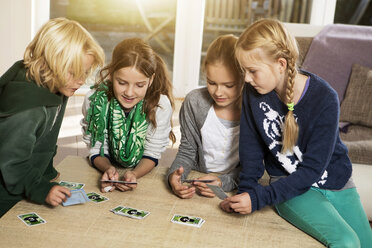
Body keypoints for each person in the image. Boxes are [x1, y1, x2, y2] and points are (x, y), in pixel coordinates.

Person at [220, 19, 372, 247]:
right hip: (287, 185)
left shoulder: (325, 99)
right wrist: (247, 195)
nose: (247, 79)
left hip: (335, 180)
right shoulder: (252, 93)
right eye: (244, 71)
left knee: (366, 243)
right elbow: (250, 153)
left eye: (252, 71)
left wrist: (256, 198)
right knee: (346, 242)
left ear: (281, 64)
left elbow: (312, 169)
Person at [0, 17, 105, 217]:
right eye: (73, 72)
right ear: (48, 64)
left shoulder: (57, 83)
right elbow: (11, 161)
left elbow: (45, 139)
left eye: (84, 72)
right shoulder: (28, 110)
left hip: (25, 176)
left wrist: (46, 173)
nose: (80, 81)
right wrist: (40, 188)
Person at [81, 38, 175, 193]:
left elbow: (152, 152)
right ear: (111, 75)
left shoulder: (160, 105)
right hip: (104, 164)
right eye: (122, 82)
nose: (130, 93)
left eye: (139, 85)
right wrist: (108, 168)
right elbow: (96, 147)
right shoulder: (94, 101)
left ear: (150, 80)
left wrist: (134, 174)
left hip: (141, 169)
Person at [167, 34, 244, 199]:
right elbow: (187, 151)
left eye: (228, 85)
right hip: (196, 175)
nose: (218, 92)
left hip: (233, 183)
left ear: (244, 78)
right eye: (211, 82)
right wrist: (175, 176)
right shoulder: (194, 102)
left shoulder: (255, 110)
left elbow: (253, 167)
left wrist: (223, 181)